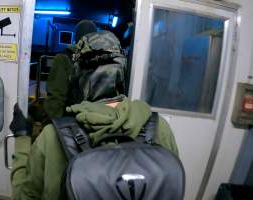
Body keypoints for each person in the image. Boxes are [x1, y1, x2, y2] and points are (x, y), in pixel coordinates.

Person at [10, 31, 179, 200]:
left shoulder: (52, 136)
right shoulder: (158, 128)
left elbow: (24, 196)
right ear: (122, 71)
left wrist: (22, 138)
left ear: (78, 76)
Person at [43, 20, 98, 119]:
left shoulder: (63, 58)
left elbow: (56, 95)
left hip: (71, 118)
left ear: (76, 37)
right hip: (95, 120)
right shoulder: (102, 59)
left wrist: (54, 123)